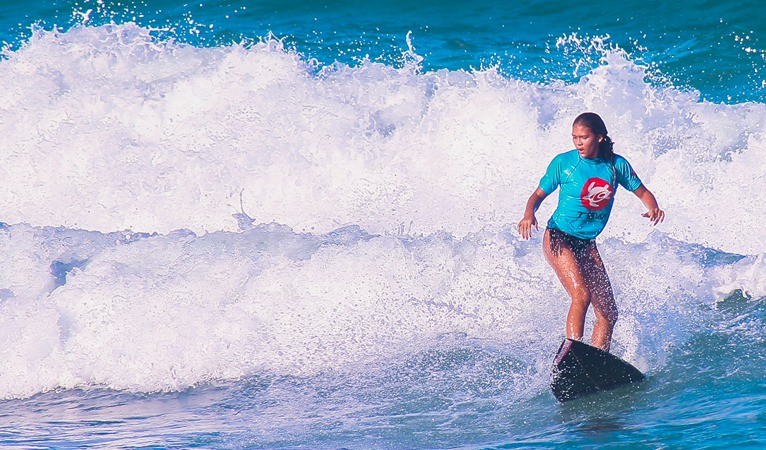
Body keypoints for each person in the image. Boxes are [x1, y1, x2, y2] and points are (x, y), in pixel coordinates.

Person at [518, 112, 664, 352]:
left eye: (583, 137)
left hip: (586, 243)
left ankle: (596, 360)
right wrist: (529, 214)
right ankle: (573, 352)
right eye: (574, 137)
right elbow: (537, 195)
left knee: (608, 312)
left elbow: (643, 192)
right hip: (559, 237)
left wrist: (653, 207)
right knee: (581, 294)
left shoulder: (617, 166)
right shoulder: (564, 163)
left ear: (599, 137)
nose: (578, 143)